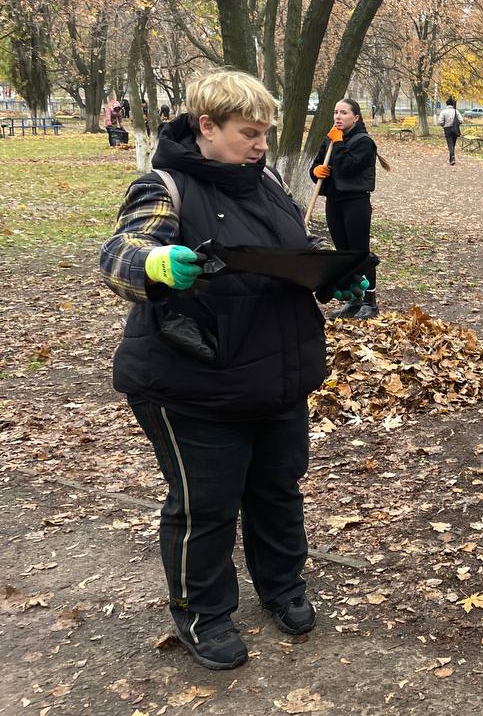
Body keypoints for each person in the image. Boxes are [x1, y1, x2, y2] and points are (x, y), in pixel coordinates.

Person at [99, 69, 360, 671]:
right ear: (206, 126)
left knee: (276, 490)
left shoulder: (265, 179)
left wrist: (332, 273)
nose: (261, 144)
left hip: (276, 377)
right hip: (193, 384)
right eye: (249, 132)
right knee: (206, 504)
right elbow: (120, 254)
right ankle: (204, 613)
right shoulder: (165, 185)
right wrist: (157, 264)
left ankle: (283, 587)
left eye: (265, 132)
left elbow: (290, 256)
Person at [311, 98, 381, 318]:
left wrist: (340, 144)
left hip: (355, 202)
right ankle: (354, 299)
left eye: (343, 113)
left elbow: (348, 168)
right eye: (335, 112)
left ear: (356, 117)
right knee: (343, 253)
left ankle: (370, 301)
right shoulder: (331, 140)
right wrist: (315, 172)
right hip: (334, 202)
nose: (338, 117)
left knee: (360, 252)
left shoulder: (364, 142)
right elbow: (318, 164)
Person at [439, 96, 463, 165]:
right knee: (453, 144)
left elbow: (440, 121)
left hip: (447, 129)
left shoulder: (443, 112)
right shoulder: (456, 111)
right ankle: (451, 159)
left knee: (450, 144)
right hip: (455, 129)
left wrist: (443, 125)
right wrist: (457, 123)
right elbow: (461, 120)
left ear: (447, 104)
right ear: (452, 104)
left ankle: (452, 159)